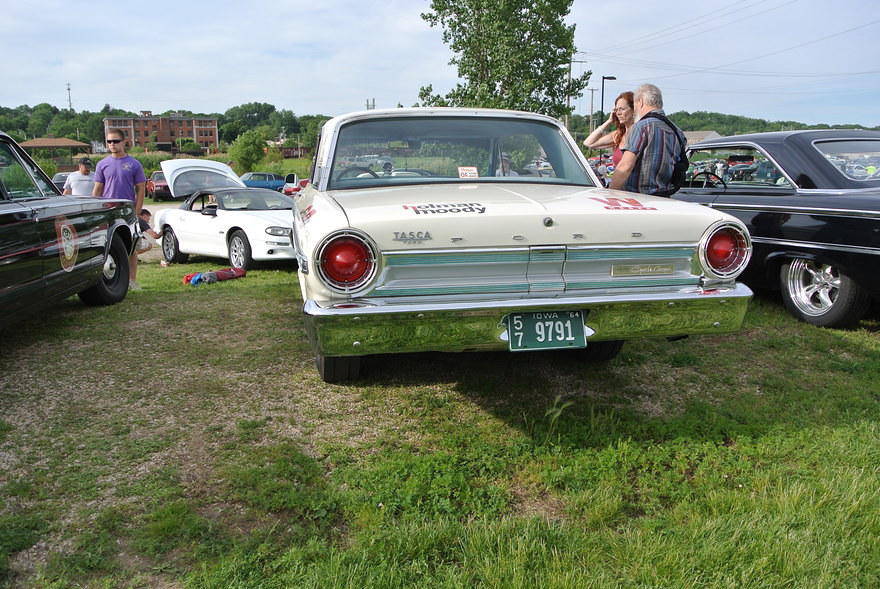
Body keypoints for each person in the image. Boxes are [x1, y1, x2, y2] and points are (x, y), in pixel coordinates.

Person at [609, 83, 687, 196]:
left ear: (640, 102)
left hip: (637, 199)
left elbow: (625, 166)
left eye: (635, 104)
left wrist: (610, 194)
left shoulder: (641, 127)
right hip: (664, 198)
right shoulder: (677, 132)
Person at [93, 129, 147, 289]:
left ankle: (131, 281)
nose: (112, 145)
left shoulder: (134, 164)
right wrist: (95, 210)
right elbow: (97, 189)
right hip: (107, 211)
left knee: (131, 248)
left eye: (115, 141)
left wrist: (137, 212)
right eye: (109, 142)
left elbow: (141, 189)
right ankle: (109, 280)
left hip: (127, 211)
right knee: (107, 246)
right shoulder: (102, 164)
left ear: (124, 142)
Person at [583, 91, 635, 169]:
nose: (618, 113)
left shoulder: (641, 134)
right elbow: (588, 143)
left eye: (622, 109)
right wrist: (609, 121)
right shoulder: (618, 135)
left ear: (633, 110)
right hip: (618, 180)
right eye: (616, 110)